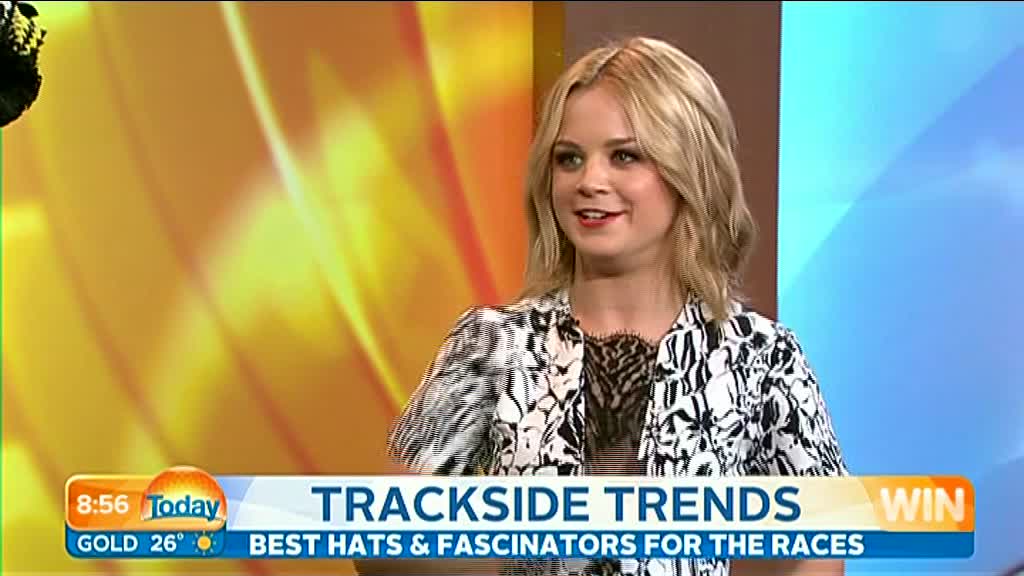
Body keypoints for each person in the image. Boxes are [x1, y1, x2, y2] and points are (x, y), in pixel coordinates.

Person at [357, 36, 847, 576]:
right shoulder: (494, 344)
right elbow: (381, 542)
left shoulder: (761, 357)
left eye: (624, 156)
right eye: (569, 159)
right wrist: (529, 555)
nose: (589, 182)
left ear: (688, 169)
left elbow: (824, 541)